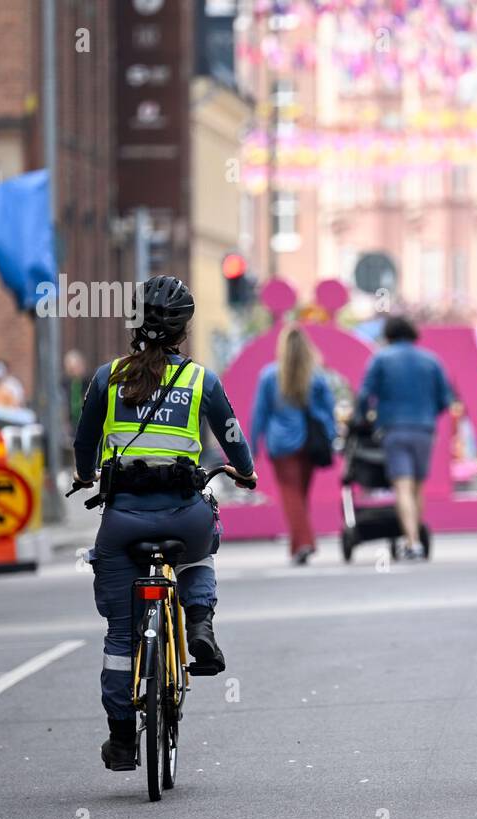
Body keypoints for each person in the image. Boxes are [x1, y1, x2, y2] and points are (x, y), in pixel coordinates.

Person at [72, 275, 256, 772]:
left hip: (123, 521)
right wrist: (246, 471)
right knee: (201, 548)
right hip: (185, 513)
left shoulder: (107, 378)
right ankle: (199, 620)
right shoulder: (202, 381)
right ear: (183, 331)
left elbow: (84, 442)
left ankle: (122, 740)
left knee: (118, 634)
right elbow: (234, 437)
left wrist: (86, 475)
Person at [356, 315, 457, 561]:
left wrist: (364, 418)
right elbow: (446, 400)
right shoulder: (431, 361)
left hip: (394, 429)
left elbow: (364, 394)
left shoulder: (380, 358)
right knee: (418, 487)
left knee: (402, 485)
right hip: (424, 430)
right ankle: (415, 539)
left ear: (388, 335)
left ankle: (411, 542)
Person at [251, 323, 337, 564]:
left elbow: (260, 413)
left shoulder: (269, 375)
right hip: (310, 443)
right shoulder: (316, 376)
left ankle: (304, 543)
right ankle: (298, 546)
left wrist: (251, 448)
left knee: (291, 496)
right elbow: (328, 410)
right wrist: (330, 437)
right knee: (301, 495)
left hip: (281, 444)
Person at [63, 349, 90, 430]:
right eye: (70, 369)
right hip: (71, 423)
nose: (72, 371)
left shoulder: (89, 382)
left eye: (74, 368)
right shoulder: (65, 383)